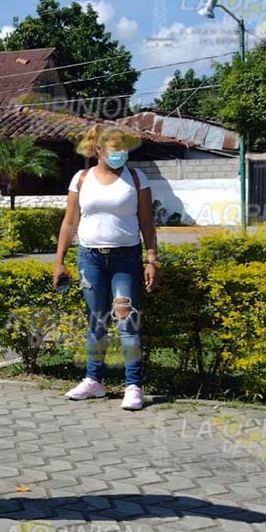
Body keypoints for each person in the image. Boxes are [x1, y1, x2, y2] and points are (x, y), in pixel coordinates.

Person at [52, 124, 158, 412]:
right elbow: (70, 222)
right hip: (90, 259)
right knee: (97, 322)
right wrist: (59, 260)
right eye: (113, 149)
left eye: (123, 148)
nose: (119, 154)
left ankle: (133, 385)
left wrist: (151, 259)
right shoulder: (81, 178)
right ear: (98, 149)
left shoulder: (137, 179)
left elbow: (147, 223)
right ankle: (94, 381)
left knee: (126, 320)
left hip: (126, 258)